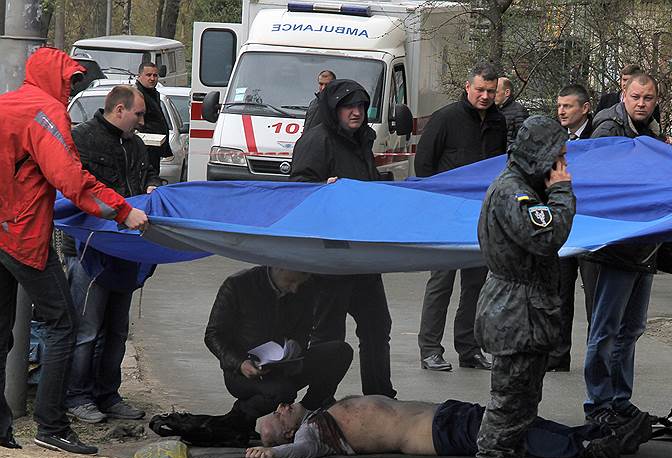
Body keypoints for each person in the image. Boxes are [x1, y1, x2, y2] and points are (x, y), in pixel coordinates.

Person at [0, 47, 149, 454]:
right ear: (56, 78)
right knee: (64, 324)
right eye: (70, 80)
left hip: (4, 229)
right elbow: (72, 180)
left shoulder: (7, 103)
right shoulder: (46, 113)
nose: (72, 88)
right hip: (23, 234)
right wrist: (123, 211)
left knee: (1, 330)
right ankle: (51, 426)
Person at [473, 115, 575, 458]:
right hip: (516, 311)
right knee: (509, 402)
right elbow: (546, 237)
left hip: (524, 309)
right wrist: (561, 192)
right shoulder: (513, 193)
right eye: (558, 156)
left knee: (523, 401)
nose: (563, 164)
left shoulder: (522, 187)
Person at [583, 71, 672, 430]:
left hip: (645, 244)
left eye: (648, 98)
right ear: (623, 95)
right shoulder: (608, 129)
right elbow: (603, 186)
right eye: (636, 97)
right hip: (617, 245)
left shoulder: (651, 131)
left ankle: (619, 400)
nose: (642, 104)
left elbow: (661, 188)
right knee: (605, 329)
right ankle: (598, 403)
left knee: (631, 329)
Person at [64, 85, 165, 424]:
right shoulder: (82, 139)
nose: (142, 121)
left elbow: (146, 174)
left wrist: (152, 185)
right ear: (119, 110)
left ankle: (108, 394)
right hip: (89, 248)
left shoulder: (135, 144)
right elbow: (77, 189)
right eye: (138, 114)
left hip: (126, 250)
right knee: (87, 330)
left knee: (117, 331)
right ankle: (77, 396)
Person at [290, 79, 396, 397]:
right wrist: (322, 188)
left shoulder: (362, 140)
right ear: (333, 109)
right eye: (348, 106)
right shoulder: (316, 141)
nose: (356, 112)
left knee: (377, 325)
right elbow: (296, 190)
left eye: (361, 106)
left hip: (361, 255)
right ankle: (319, 401)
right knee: (329, 334)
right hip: (330, 257)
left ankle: (379, 398)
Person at [414, 62, 507, 372]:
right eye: (480, 90)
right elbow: (424, 164)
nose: (485, 96)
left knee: (476, 285)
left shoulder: (498, 122)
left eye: (490, 91)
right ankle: (430, 349)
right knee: (441, 282)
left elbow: (498, 166)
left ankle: (469, 349)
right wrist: (434, 204)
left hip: (481, 214)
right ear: (467, 87)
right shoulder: (445, 118)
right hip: (445, 212)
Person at [245, 395, 653, 458]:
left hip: (444, 415)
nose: (282, 407)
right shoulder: (314, 435)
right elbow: (298, 452)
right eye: (277, 416)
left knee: (521, 421)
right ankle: (590, 447)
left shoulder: (318, 411)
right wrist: (271, 454)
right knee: (514, 433)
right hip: (435, 433)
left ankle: (597, 435)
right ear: (287, 434)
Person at [204, 266, 357, 430]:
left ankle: (307, 411)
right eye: (291, 281)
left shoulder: (305, 287)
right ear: (278, 267)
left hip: (283, 363)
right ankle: (240, 415)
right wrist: (240, 363)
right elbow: (213, 335)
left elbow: (303, 330)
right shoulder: (238, 285)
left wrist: (295, 350)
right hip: (243, 371)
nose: (295, 288)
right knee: (284, 392)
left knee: (340, 352)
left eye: (300, 283)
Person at [549, 84, 596, 372]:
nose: (561, 111)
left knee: (594, 295)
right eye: (559, 106)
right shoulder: (557, 138)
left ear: (585, 108)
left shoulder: (599, 137)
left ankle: (596, 357)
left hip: (590, 227)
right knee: (560, 293)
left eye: (567, 106)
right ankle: (558, 356)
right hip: (564, 227)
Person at [134, 62, 173, 178]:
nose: (152, 78)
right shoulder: (136, 94)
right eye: (148, 75)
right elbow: (134, 122)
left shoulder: (154, 93)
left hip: (155, 148)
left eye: (155, 75)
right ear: (139, 76)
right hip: (144, 148)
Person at [495, 76, 529, 146]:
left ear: (507, 92)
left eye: (496, 92)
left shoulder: (519, 111)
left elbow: (524, 140)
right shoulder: (494, 110)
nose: (493, 95)